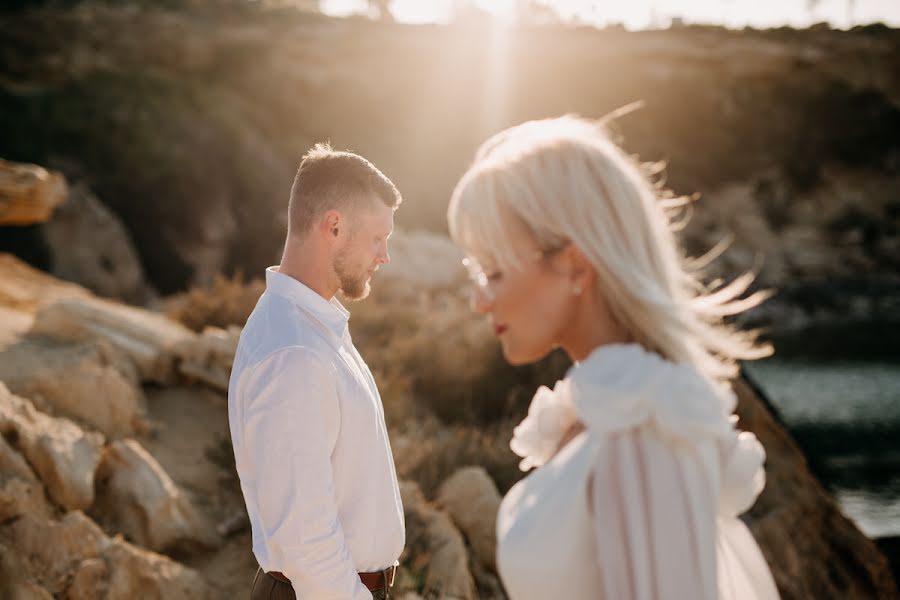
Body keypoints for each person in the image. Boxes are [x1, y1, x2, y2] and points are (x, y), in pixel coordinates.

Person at [447, 116, 780, 600]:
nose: (479, 300)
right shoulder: (599, 412)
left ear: (575, 267)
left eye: (493, 271)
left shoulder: (644, 427)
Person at [228, 143, 405, 600]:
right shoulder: (295, 352)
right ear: (334, 226)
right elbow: (304, 538)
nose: (383, 256)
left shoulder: (310, 326)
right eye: (377, 238)